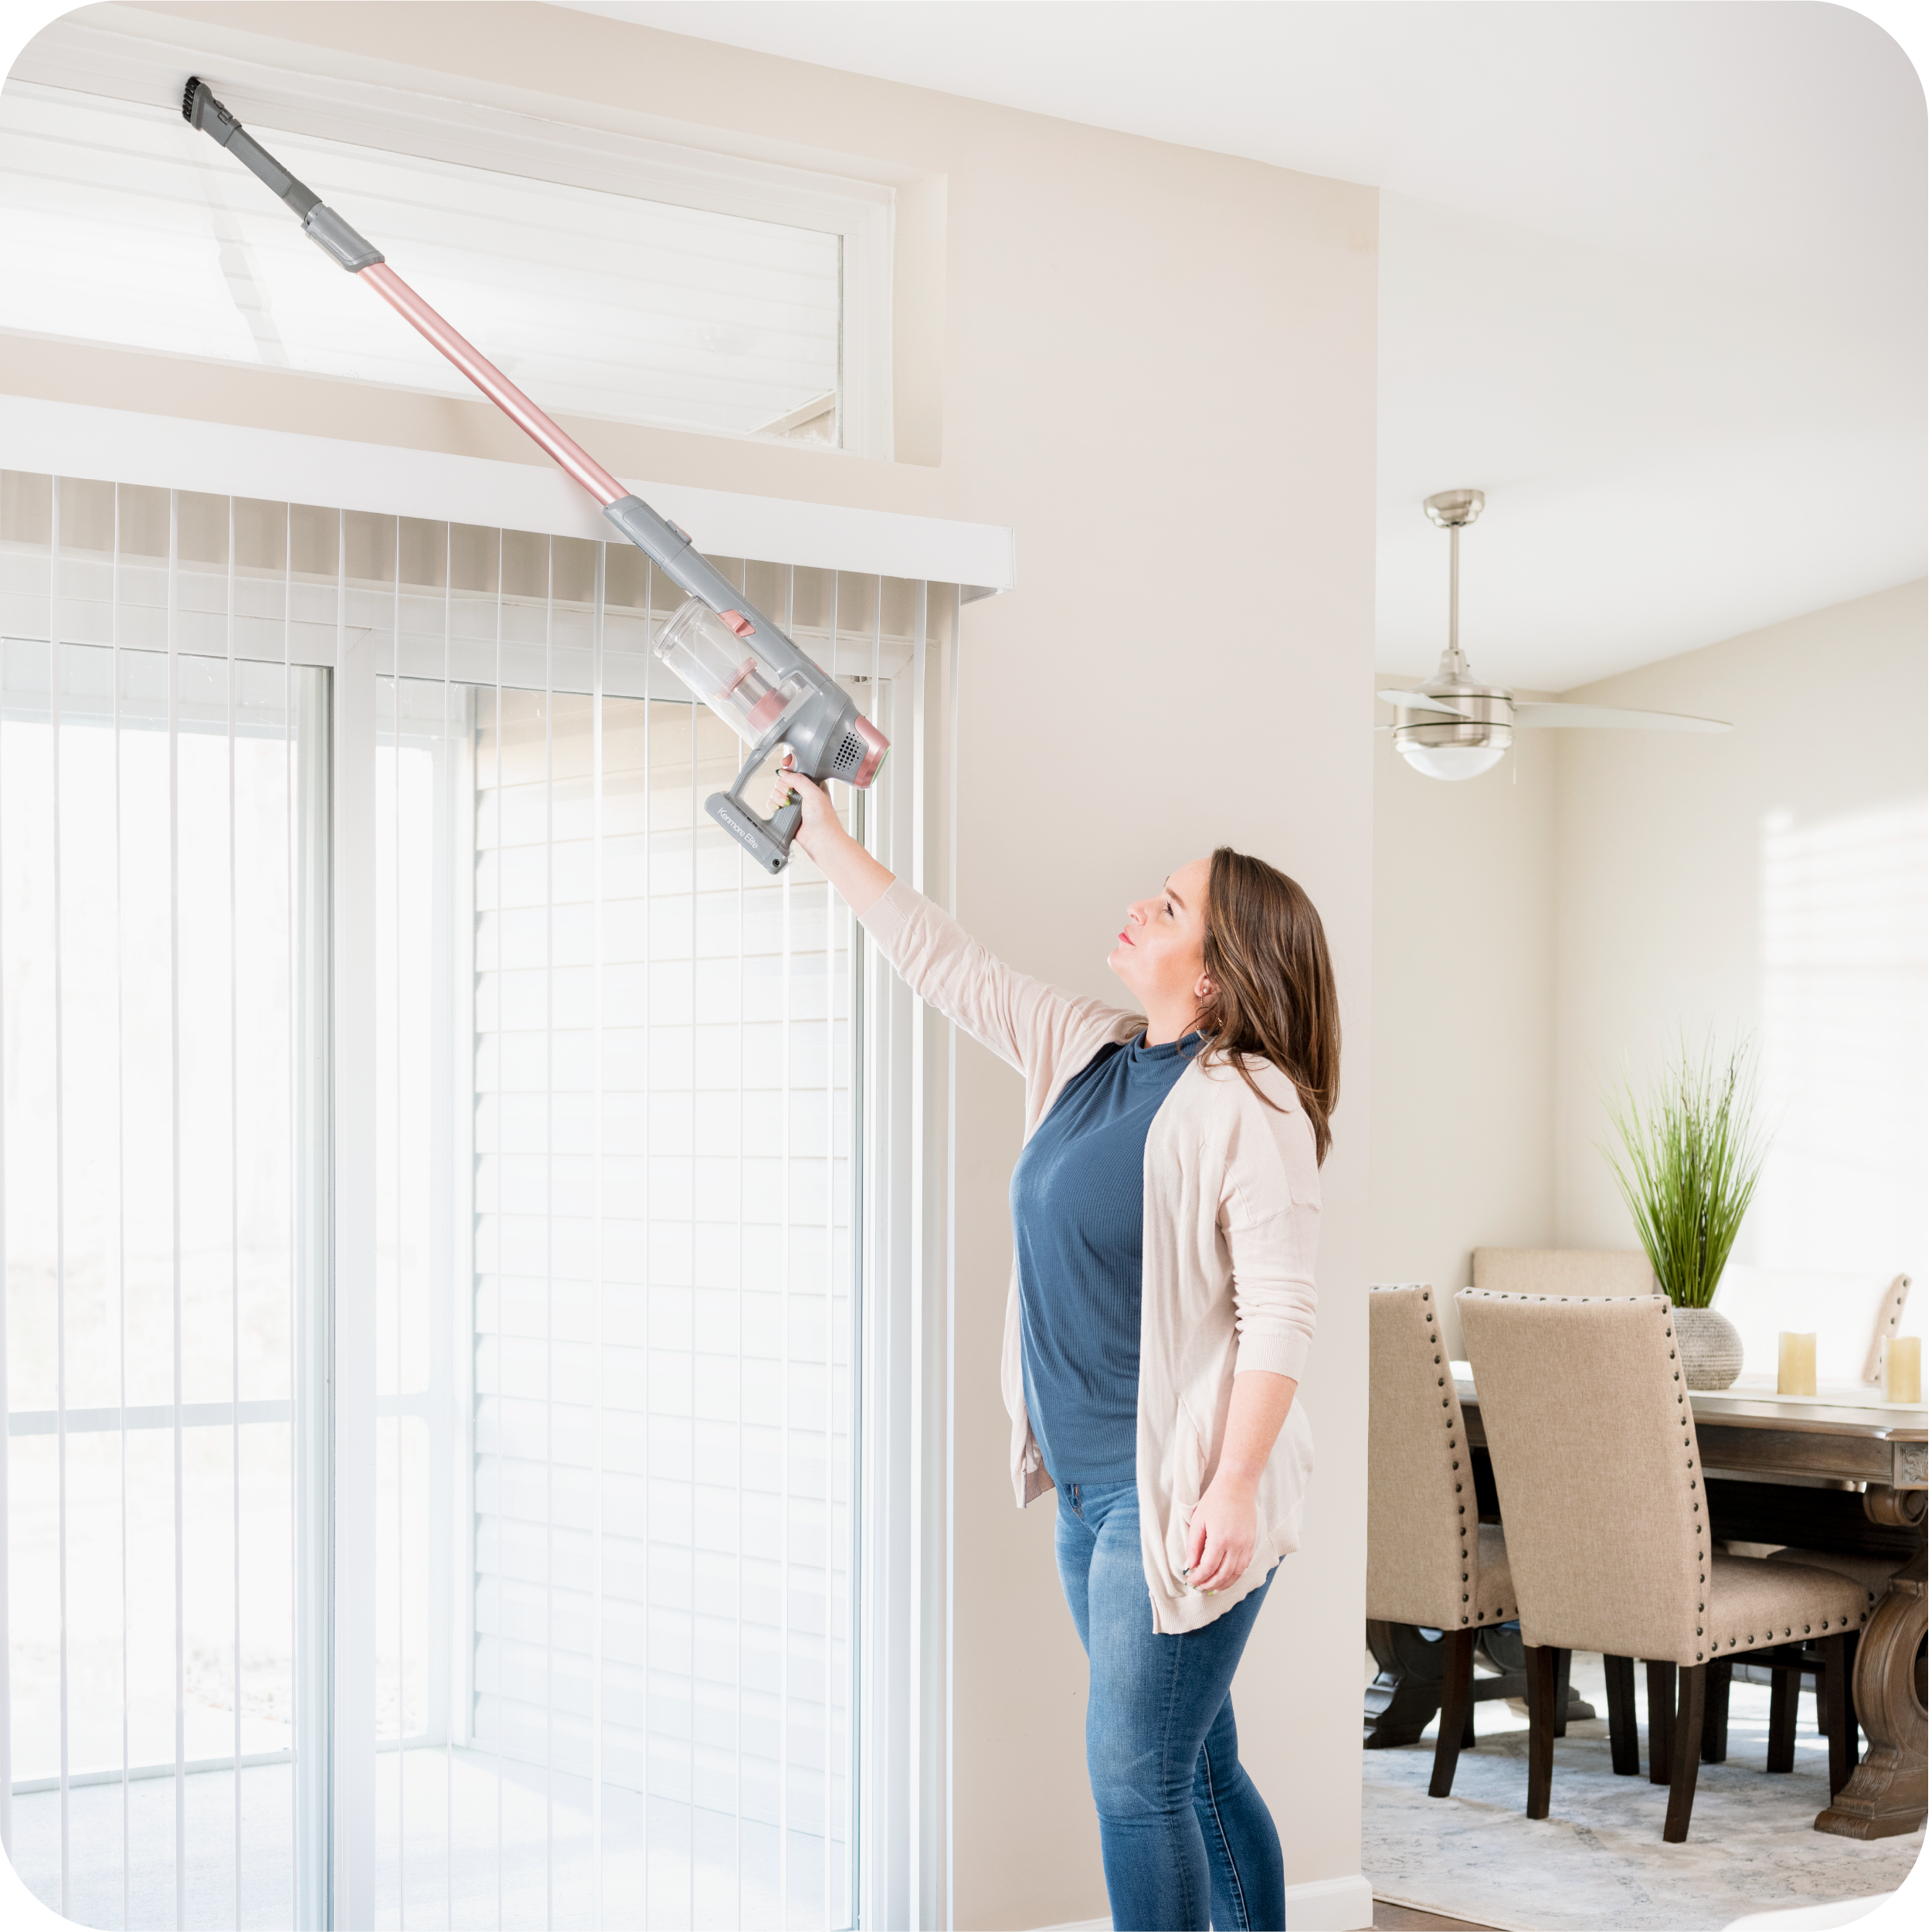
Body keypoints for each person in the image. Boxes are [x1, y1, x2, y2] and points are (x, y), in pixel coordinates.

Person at [775, 755, 1339, 1932]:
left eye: (1171, 906)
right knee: (1197, 1766)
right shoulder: (1093, 1053)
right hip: (1091, 1497)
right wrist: (825, 837)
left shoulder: (1255, 1104)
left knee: (1138, 1788)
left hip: (1176, 1499)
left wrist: (1231, 1490)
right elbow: (948, 964)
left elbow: (1281, 1312)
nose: (1142, 907)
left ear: (1224, 971)